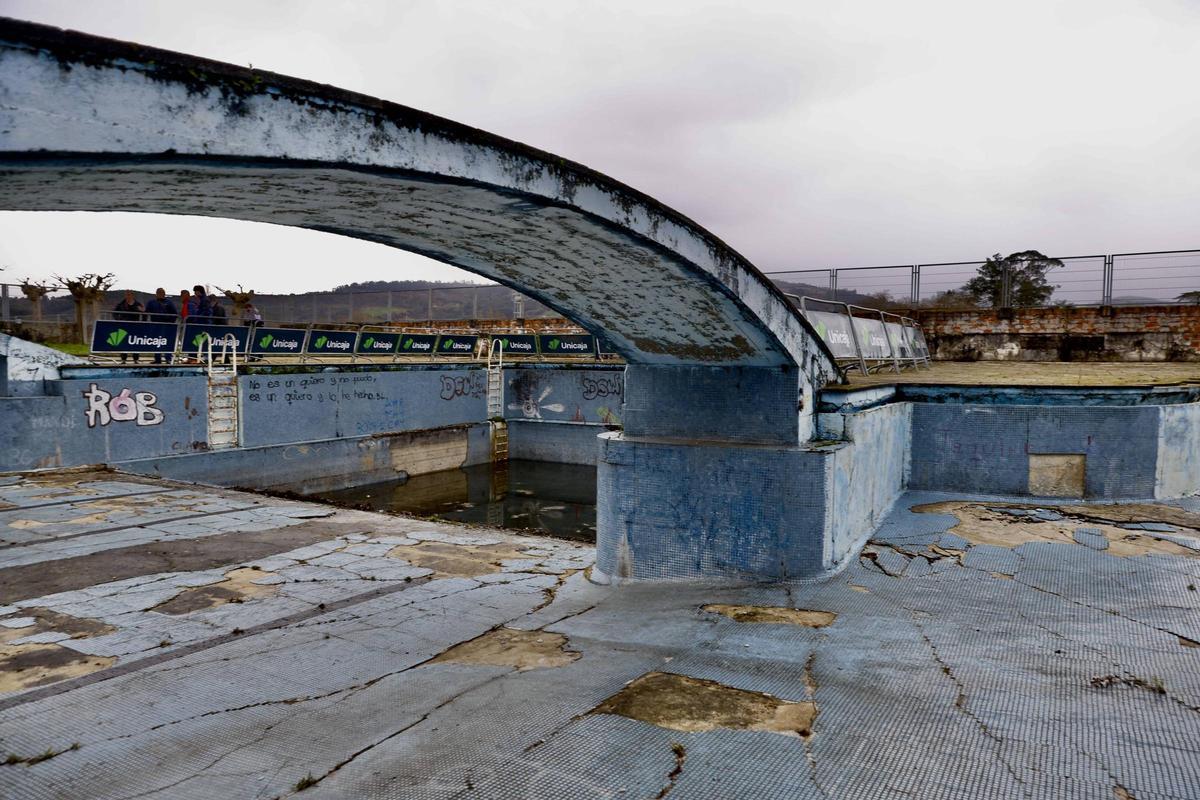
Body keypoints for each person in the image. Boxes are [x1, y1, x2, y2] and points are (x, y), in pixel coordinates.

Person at [143, 287, 177, 365]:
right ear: (156, 294)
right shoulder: (151, 302)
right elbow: (146, 312)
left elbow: (174, 314)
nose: (161, 295)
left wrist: (171, 323)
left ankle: (168, 358)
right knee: (156, 342)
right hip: (156, 325)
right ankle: (157, 359)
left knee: (166, 342)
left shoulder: (169, 302)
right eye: (159, 293)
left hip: (166, 326)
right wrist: (144, 322)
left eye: (162, 293)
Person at [113, 290, 144, 364]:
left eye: (129, 295)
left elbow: (144, 313)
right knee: (124, 342)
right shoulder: (121, 304)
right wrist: (119, 319)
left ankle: (136, 359)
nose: (128, 296)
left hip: (135, 326)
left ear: (132, 296)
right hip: (124, 326)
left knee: (135, 342)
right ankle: (123, 359)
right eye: (127, 295)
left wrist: (143, 322)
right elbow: (114, 313)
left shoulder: (138, 304)